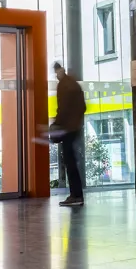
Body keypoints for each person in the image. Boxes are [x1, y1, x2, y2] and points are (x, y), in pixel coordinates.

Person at [50, 62, 87, 207]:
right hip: (75, 127)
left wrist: (56, 124)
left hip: (68, 129)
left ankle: (76, 195)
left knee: (69, 161)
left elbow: (63, 108)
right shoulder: (74, 84)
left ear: (58, 71)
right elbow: (83, 107)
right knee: (71, 161)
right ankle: (76, 194)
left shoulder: (64, 85)